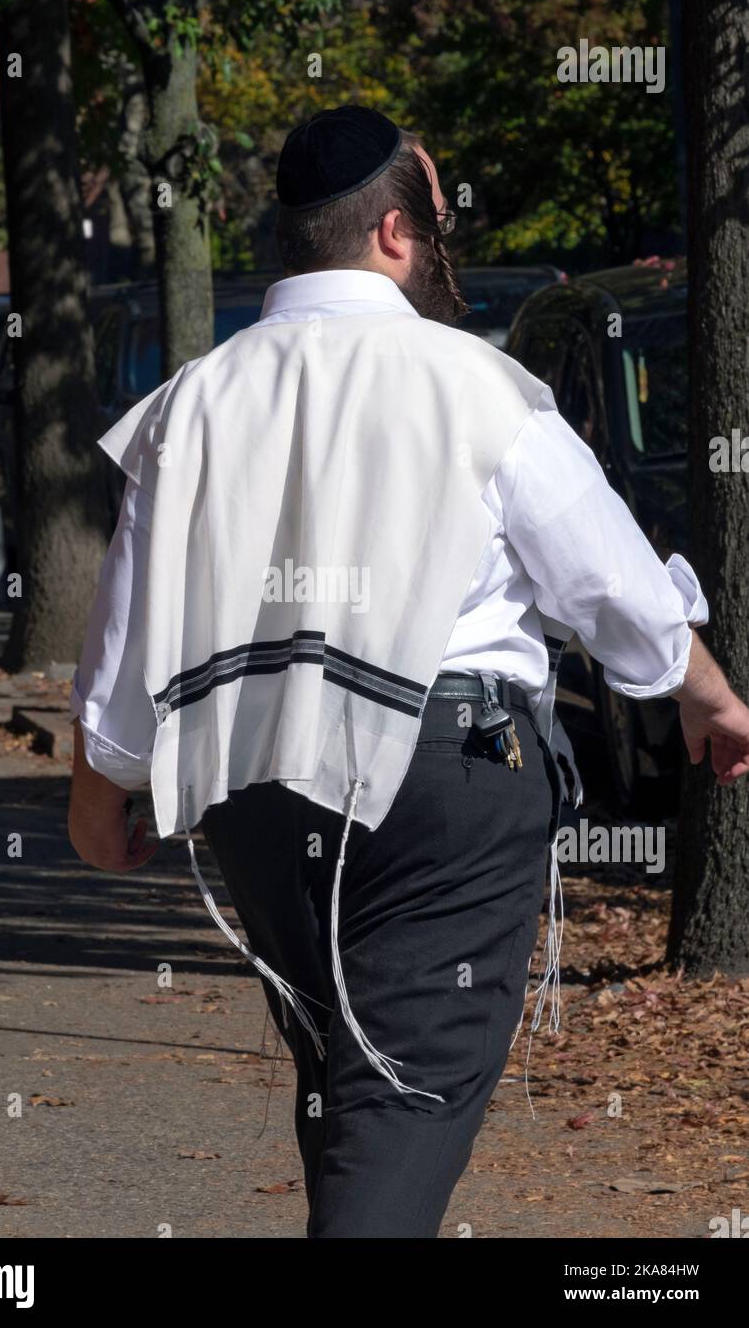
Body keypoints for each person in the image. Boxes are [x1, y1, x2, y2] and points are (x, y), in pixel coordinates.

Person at [68, 105, 749, 1239]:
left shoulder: (193, 400)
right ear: (392, 232)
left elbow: (131, 631)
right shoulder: (474, 385)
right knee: (396, 1091)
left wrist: (102, 791)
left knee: (348, 1079)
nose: (445, 237)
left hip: (250, 778)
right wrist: (713, 698)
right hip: (454, 767)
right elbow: (617, 594)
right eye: (437, 215)